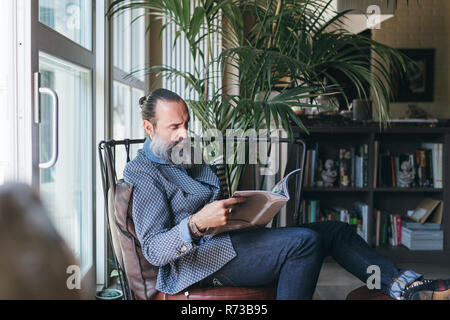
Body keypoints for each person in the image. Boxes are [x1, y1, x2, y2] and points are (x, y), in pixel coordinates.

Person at [123, 88, 450, 300]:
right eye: (174, 127)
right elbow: (154, 251)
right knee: (304, 243)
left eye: (186, 124)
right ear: (148, 128)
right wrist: (196, 224)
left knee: (335, 230)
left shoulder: (186, 155)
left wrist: (245, 212)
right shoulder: (145, 175)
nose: (185, 134)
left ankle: (400, 284)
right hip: (199, 262)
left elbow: (213, 208)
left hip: (226, 240)